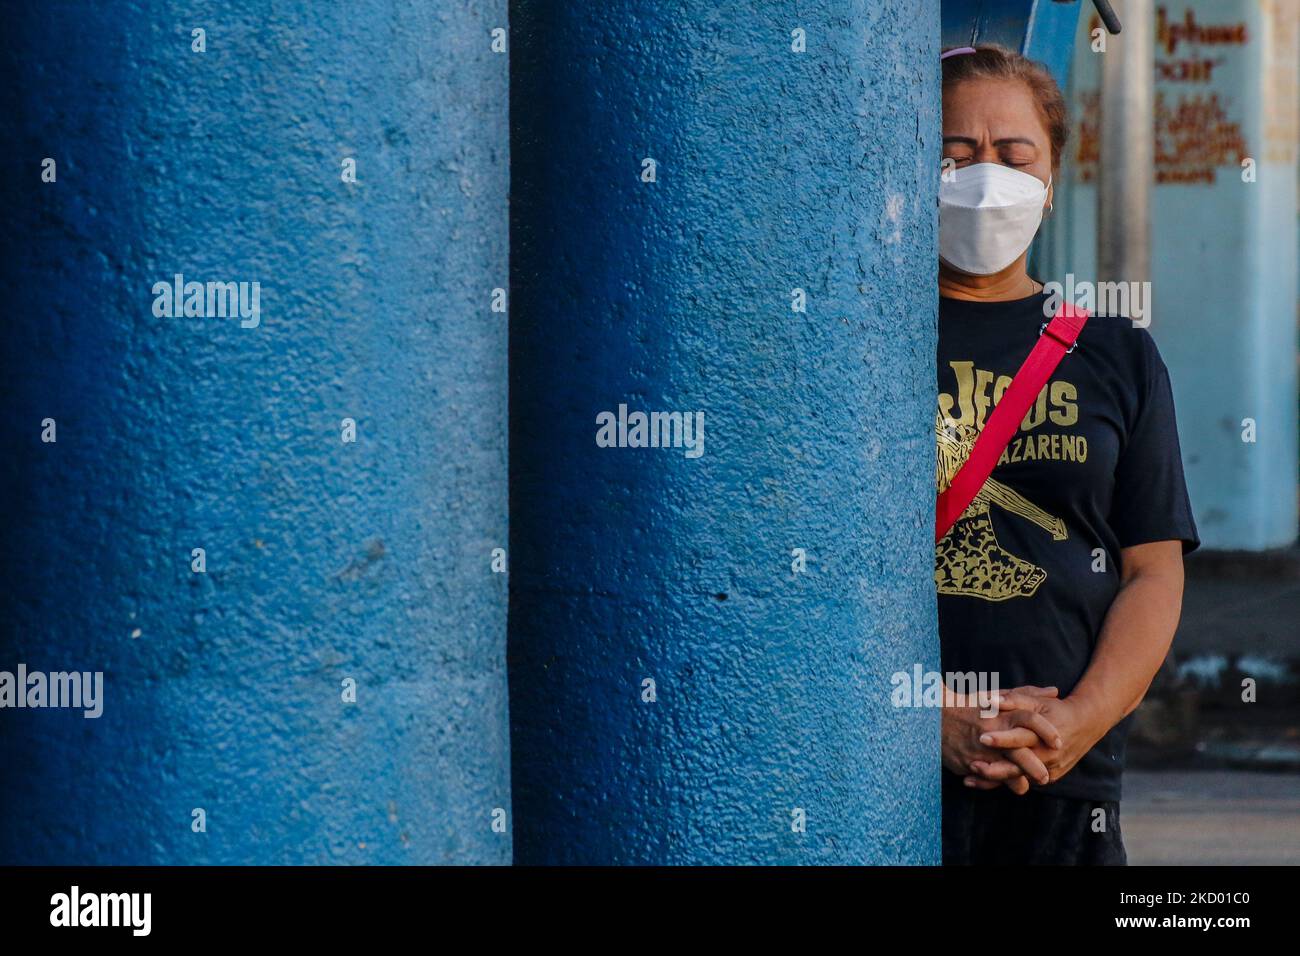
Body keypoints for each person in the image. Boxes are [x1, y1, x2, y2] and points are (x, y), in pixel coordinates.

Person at [935, 44, 1200, 865]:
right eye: (956, 154)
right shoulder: (859, 346)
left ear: (1049, 183)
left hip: (1064, 780)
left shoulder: (1116, 354)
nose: (987, 178)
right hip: (886, 775)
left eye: (1014, 156)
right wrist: (920, 716)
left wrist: (1080, 720)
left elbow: (1152, 570)